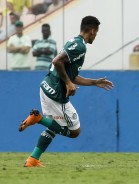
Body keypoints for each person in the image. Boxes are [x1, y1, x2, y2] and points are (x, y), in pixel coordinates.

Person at [19, 16, 114, 167]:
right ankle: (38, 119)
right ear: (92, 30)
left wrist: (94, 82)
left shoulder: (73, 42)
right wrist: (68, 83)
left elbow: (72, 75)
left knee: (54, 127)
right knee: (75, 132)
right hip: (56, 94)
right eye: (97, 32)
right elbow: (56, 61)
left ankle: (32, 160)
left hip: (46, 87)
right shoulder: (80, 46)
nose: (96, 35)